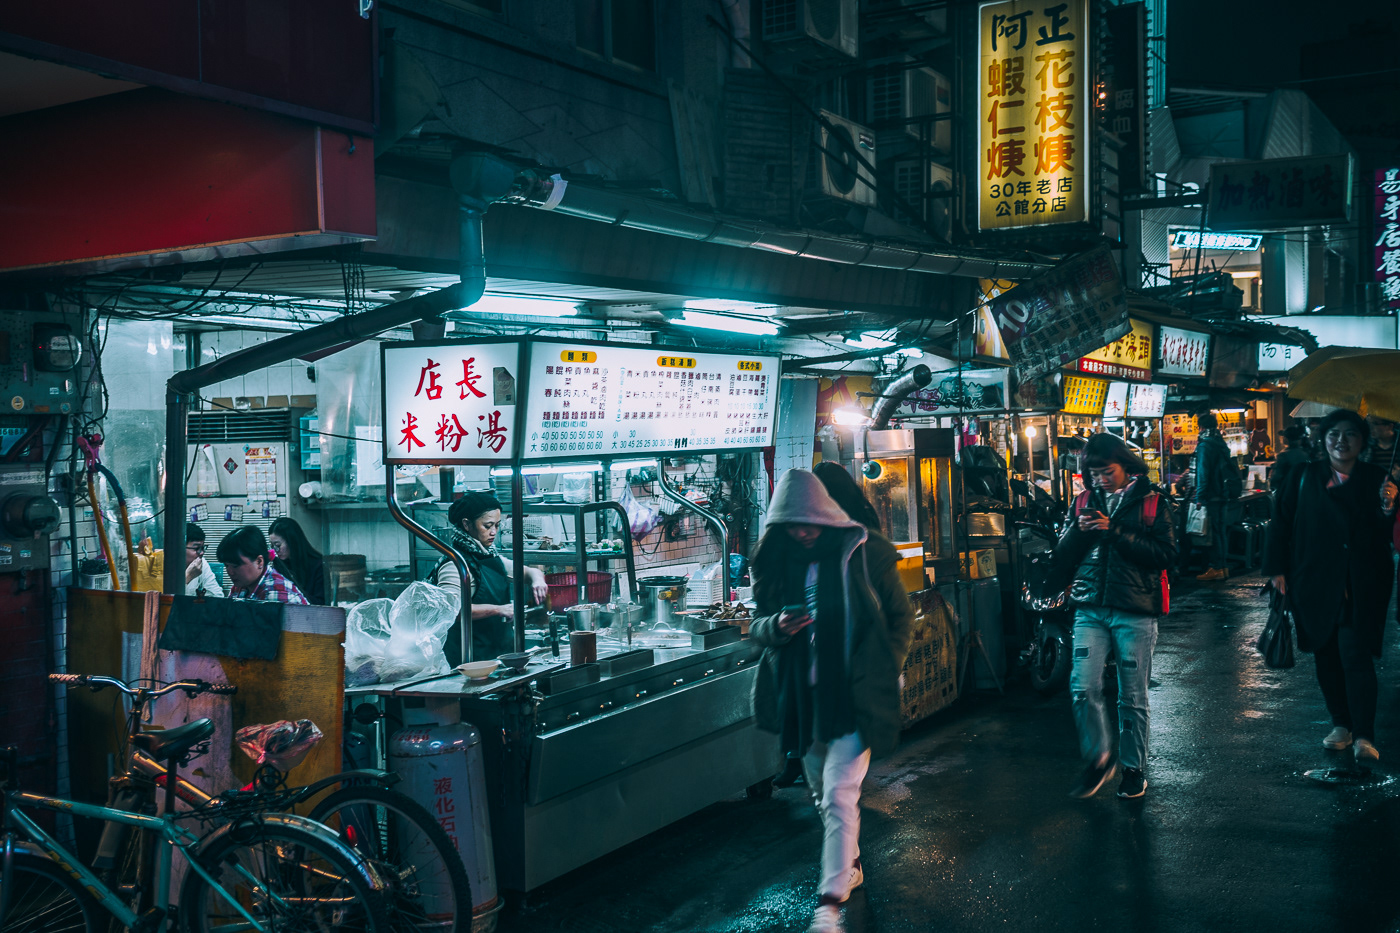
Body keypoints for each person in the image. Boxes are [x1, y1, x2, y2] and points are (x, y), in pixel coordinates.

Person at [750, 470, 914, 933]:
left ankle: (829, 906)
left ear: (824, 514)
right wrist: (775, 627)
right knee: (823, 795)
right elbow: (756, 626)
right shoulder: (777, 563)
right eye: (792, 524)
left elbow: (901, 616)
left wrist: (884, 667)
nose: (802, 531)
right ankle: (850, 863)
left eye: (809, 521)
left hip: (854, 698)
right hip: (804, 699)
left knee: (841, 793)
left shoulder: (865, 553)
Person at [1264, 410, 1398, 768]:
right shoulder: (1303, 476)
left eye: (1350, 434)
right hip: (1314, 578)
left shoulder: (1377, 478)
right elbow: (1281, 523)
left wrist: (1388, 505)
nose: (1341, 441)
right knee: (1325, 654)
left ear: (1362, 440)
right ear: (1323, 440)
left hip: (1362, 582)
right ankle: (1341, 723)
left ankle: (1364, 733)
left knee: (1355, 654)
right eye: (1334, 434)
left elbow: (1386, 535)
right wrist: (1276, 569)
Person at [1051, 433, 1176, 800]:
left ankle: (1133, 768)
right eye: (1094, 474)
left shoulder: (1153, 502)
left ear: (1126, 467)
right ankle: (1099, 758)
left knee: (1132, 696)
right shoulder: (1083, 501)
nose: (1100, 480)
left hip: (1135, 612)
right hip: (1090, 608)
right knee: (1081, 687)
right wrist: (1078, 531)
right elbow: (1063, 554)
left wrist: (1114, 530)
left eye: (1107, 472)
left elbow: (1165, 554)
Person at [434, 491, 549, 661]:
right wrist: (498, 610)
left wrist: (537, 580)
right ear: (467, 524)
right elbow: (452, 611)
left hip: (497, 655)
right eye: (487, 526)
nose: (494, 532)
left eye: (497, 525)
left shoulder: (489, 556)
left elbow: (529, 572)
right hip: (469, 661)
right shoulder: (455, 566)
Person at [1193, 412, 1238, 581]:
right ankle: (1223, 567)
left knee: (1212, 533)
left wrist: (1199, 496)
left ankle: (1215, 567)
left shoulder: (1205, 445)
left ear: (1201, 427)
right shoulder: (1220, 442)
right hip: (1223, 494)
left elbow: (1203, 473)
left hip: (1211, 495)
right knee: (1220, 532)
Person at [216, 525, 307, 604]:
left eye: (235, 566)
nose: (230, 572)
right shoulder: (240, 586)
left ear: (259, 561)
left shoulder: (276, 594)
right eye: (226, 565)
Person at [269, 517, 327, 606]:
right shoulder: (280, 565)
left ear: (292, 542)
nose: (275, 550)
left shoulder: (318, 566)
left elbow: (322, 604)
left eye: (278, 545)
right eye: (272, 545)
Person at [1268, 425, 1310, 500]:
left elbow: (1277, 476)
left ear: (1286, 439)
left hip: (1286, 493)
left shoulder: (1283, 455)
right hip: (1302, 492)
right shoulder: (1305, 454)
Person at [184, 523, 224, 597]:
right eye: (196, 548)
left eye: (202, 548)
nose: (201, 553)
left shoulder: (202, 562)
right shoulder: (164, 565)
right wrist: (188, 577)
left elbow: (217, 595)